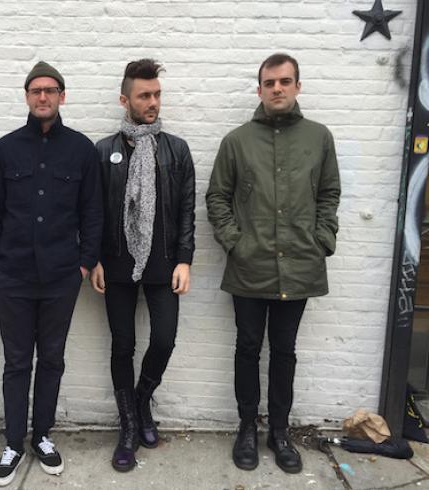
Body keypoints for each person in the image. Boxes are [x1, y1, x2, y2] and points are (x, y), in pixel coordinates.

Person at [206, 53, 341, 474]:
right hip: (250, 267)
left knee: (284, 351)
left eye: (285, 81)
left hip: (299, 266)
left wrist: (322, 239)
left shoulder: (319, 138)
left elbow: (329, 193)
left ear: (298, 86)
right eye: (270, 82)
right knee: (247, 348)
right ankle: (247, 427)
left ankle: (279, 432)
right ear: (259, 89)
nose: (277, 88)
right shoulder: (237, 141)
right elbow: (217, 197)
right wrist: (236, 243)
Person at [0, 61, 103, 486]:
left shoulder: (81, 150)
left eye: (51, 90)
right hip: (12, 275)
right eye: (36, 91)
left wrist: (83, 263)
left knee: (51, 359)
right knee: (16, 362)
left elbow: (93, 212)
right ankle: (13, 442)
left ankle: (43, 436)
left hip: (61, 276)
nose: (43, 97)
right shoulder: (7, 148)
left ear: (62, 96)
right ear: (27, 97)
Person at [91, 59, 195, 472]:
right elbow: (93, 212)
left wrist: (184, 259)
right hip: (117, 263)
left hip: (163, 263)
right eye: (144, 96)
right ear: (125, 100)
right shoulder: (103, 151)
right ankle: (129, 426)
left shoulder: (176, 150)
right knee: (122, 345)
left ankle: (140, 400)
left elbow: (186, 210)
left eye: (157, 95)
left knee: (164, 339)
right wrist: (95, 259)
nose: (153, 102)